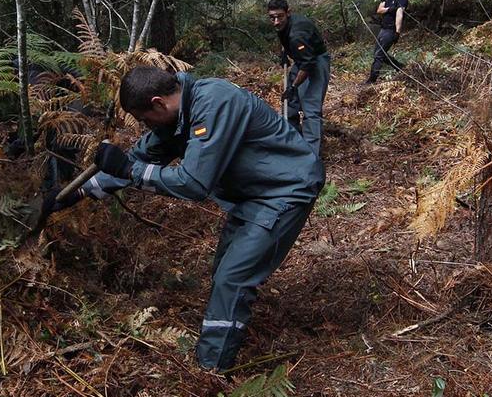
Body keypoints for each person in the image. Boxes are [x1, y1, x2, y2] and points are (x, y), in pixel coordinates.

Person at [44, 66, 324, 372]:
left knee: (233, 278)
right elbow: (138, 161)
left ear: (158, 104)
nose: (144, 126)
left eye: (144, 119)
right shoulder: (176, 117)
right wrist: (78, 193)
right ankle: (222, 344)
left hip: (285, 190)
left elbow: (193, 184)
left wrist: (128, 171)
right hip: (251, 194)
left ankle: (212, 369)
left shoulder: (215, 102)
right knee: (223, 272)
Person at [267, 0, 330, 158]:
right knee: (290, 102)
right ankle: (294, 144)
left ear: (288, 13)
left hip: (315, 62)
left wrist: (294, 86)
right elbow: (283, 36)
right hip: (302, 60)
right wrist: (284, 53)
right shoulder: (283, 25)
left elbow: (308, 65)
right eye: (272, 17)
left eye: (279, 16)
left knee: (310, 108)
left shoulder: (297, 34)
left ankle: (310, 157)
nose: (275, 22)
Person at [365, 0, 408, 84]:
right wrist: (390, 9)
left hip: (390, 30)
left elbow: (399, 15)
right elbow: (379, 10)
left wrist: (397, 32)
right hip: (383, 29)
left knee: (378, 55)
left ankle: (372, 80)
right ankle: (401, 68)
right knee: (379, 54)